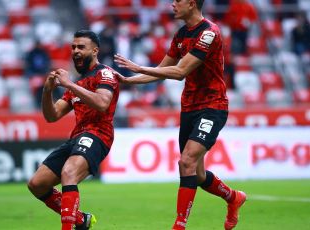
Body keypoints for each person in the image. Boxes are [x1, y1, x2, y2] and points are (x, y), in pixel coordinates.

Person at [114, 0, 246, 229]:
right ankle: (233, 198)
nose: (172, 4)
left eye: (177, 0)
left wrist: (139, 68)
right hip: (189, 108)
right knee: (198, 174)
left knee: (186, 161)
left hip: (212, 106)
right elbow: (161, 71)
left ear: (192, 4)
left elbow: (180, 71)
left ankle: (179, 225)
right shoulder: (181, 34)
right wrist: (128, 80)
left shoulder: (209, 33)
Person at [27, 30, 120, 230]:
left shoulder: (105, 74)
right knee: (37, 184)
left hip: (98, 134)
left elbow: (103, 102)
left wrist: (68, 83)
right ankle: (80, 220)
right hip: (77, 137)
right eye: (73, 47)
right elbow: (52, 116)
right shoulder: (76, 85)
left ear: (95, 51)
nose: (75, 51)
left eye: (81, 47)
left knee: (69, 173)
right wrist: (47, 90)